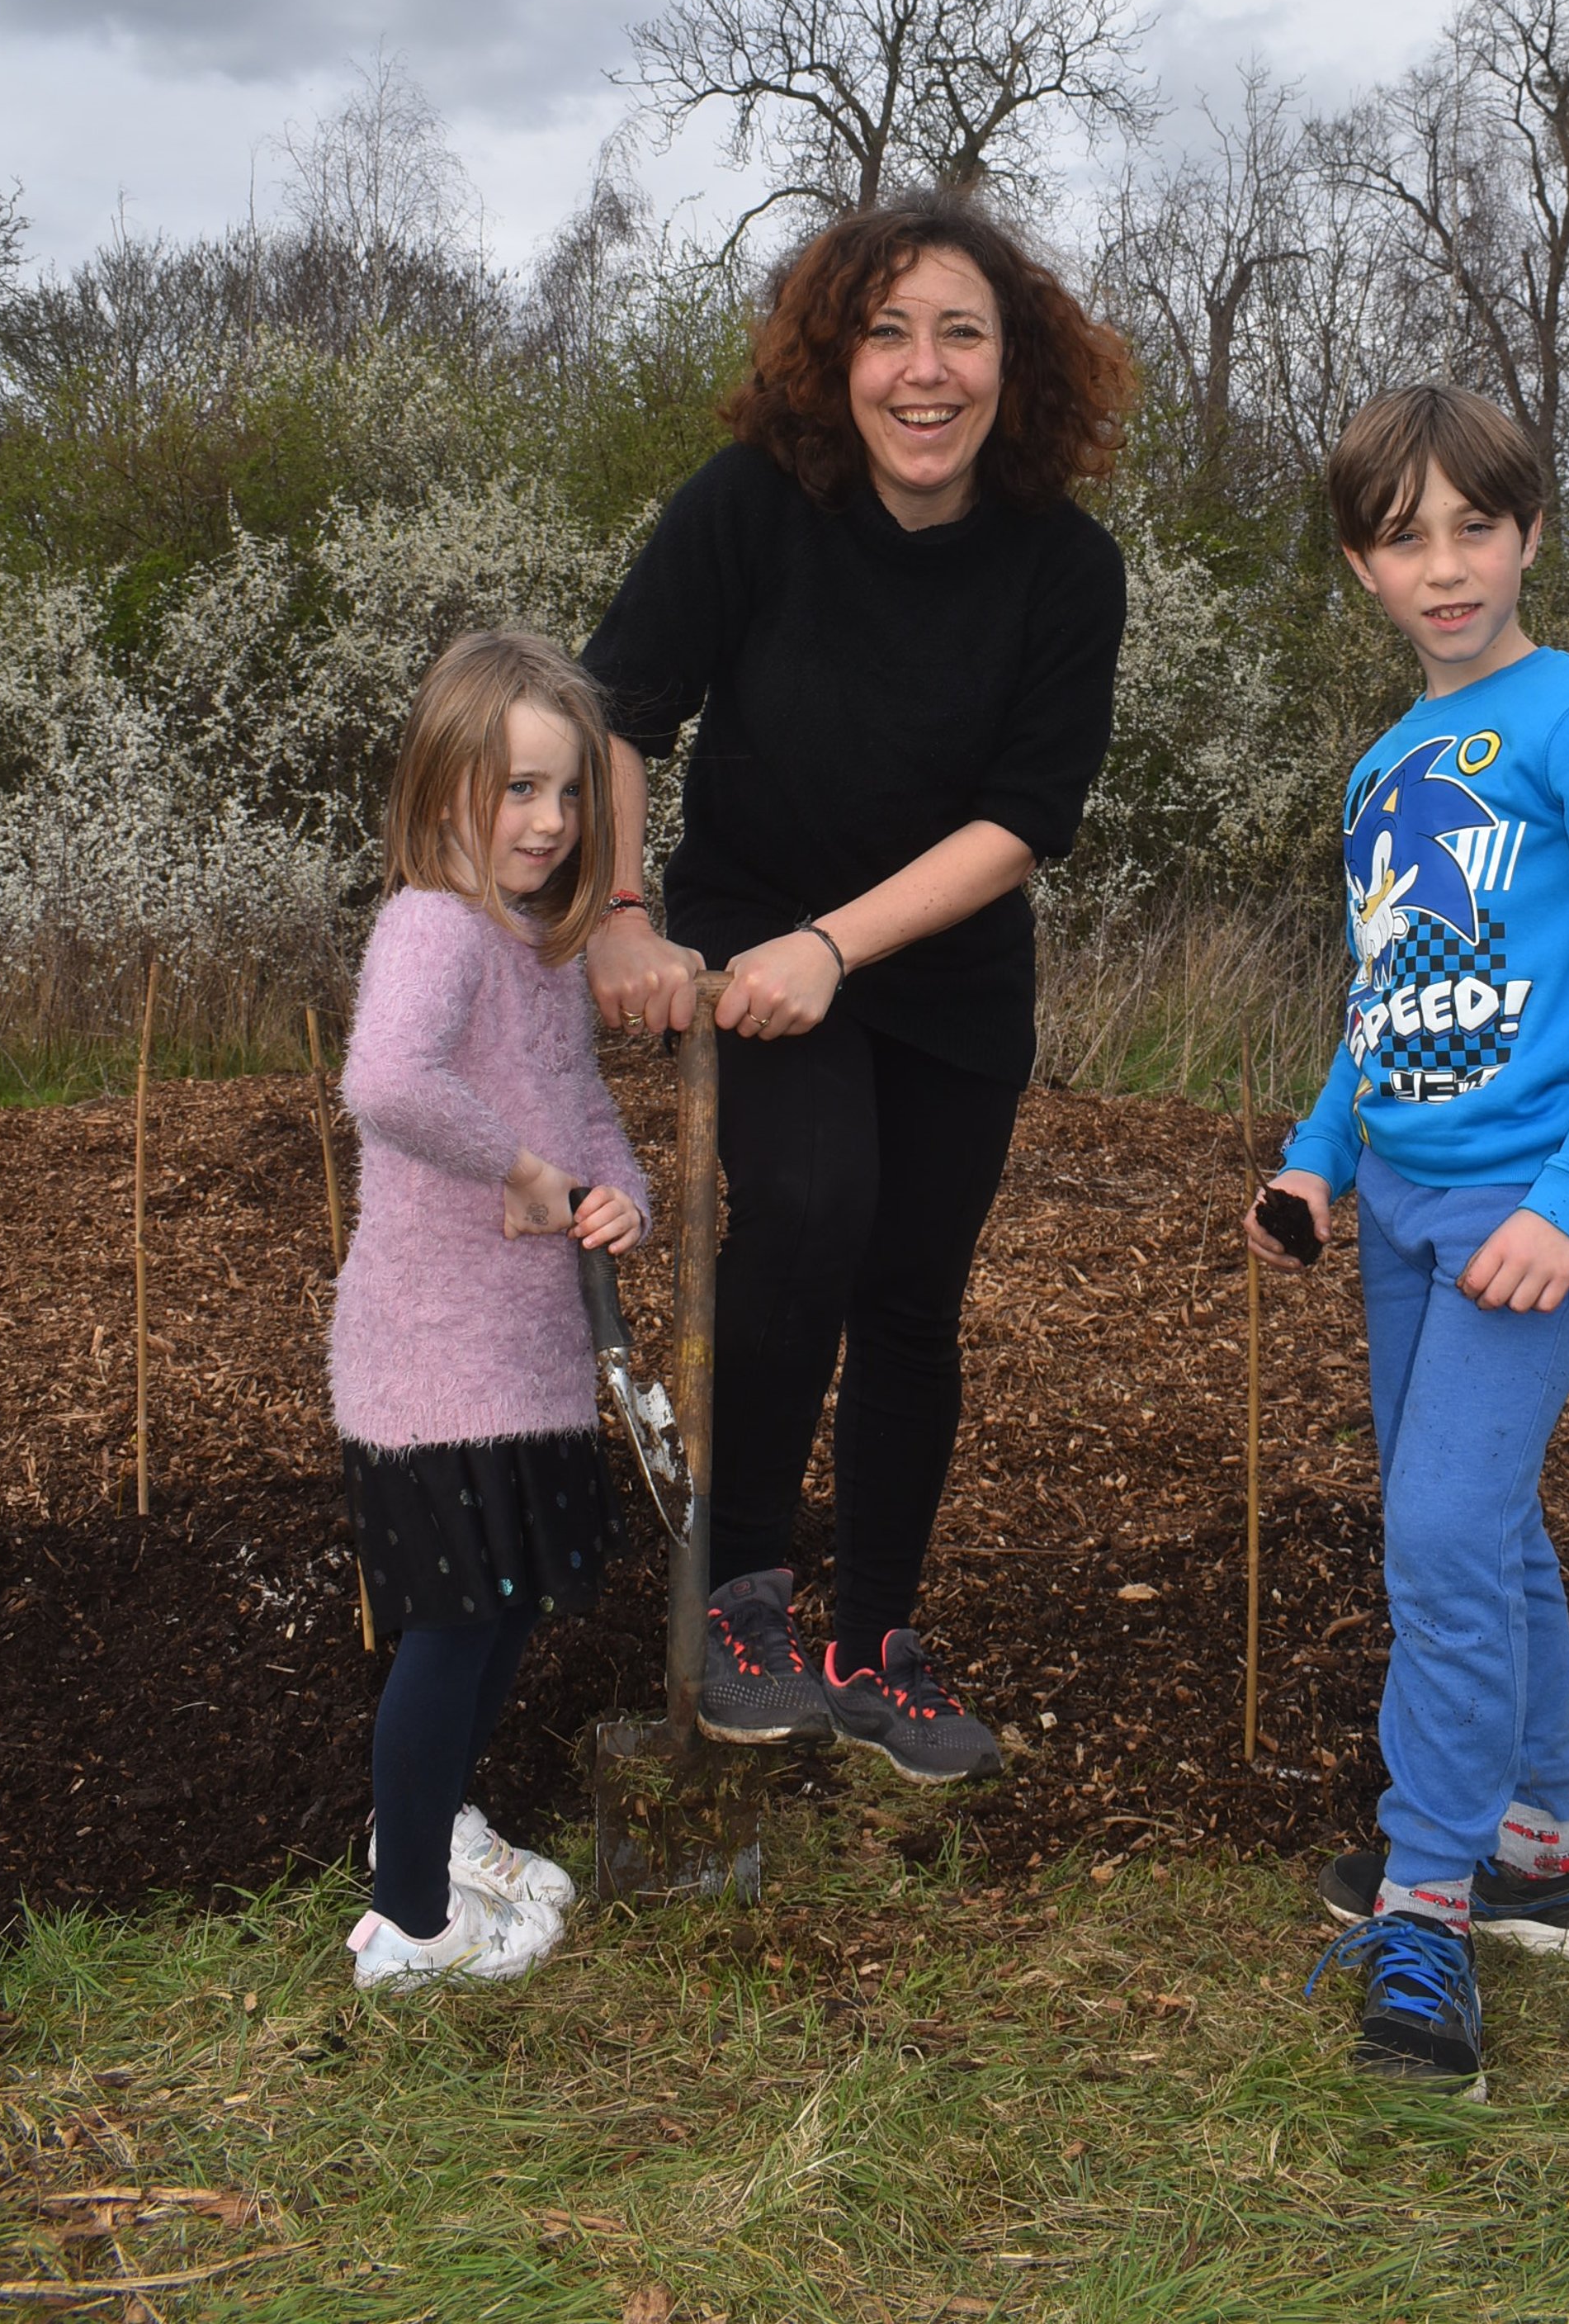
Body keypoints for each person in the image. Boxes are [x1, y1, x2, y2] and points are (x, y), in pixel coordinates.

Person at [581, 192, 1130, 1782]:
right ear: (837, 364)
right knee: (809, 1212)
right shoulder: (750, 509)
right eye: (888, 333)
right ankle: (743, 1587)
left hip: (946, 974)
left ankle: (872, 1635)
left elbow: (1028, 821)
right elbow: (622, 703)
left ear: (1015, 367)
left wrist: (844, 948)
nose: (925, 370)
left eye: (962, 332)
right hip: (751, 940)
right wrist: (624, 912)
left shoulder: (1065, 571)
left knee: (911, 1298)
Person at [1247, 383, 1569, 2097]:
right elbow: (1382, 999)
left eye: (1470, 526)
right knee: (1474, 1525)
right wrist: (1311, 1164)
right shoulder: (1378, 767)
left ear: (1526, 532)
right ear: (1361, 563)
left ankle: (1426, 1912)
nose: (1440, 566)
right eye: (1398, 536)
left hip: (1535, 1201)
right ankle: (1539, 1842)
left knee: (1436, 1533)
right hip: (1406, 1203)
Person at [332, 630, 651, 1991]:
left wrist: (614, 1190)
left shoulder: (539, 953)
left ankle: (437, 1830)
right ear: (443, 784)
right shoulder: (431, 927)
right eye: (517, 788)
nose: (547, 821)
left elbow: (580, 1109)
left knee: (502, 1611)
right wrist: (524, 1173)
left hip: (522, 1362)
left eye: (569, 793)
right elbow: (389, 1081)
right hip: (431, 1360)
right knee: (454, 1623)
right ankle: (411, 1924)